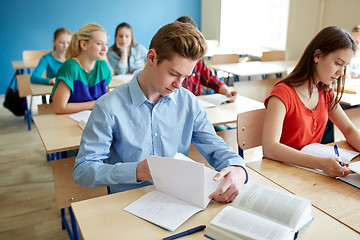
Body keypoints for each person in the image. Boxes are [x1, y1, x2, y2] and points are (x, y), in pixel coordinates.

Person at [73, 22, 247, 203]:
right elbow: (83, 170)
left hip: (178, 200)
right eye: (173, 73)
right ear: (151, 57)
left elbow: (214, 145)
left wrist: (237, 168)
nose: (179, 84)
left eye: (185, 77)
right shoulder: (108, 107)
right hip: (127, 204)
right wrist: (136, 171)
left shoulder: (187, 101)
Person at [262, 26, 360, 178]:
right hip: (280, 173)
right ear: (317, 56)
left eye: (344, 67)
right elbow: (270, 148)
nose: (341, 73)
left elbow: (348, 129)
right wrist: (320, 163)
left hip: (309, 173)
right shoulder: (282, 93)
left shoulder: (325, 93)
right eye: (338, 63)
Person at [52, 23, 112, 114]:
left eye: (106, 44)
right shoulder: (70, 67)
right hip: (69, 121)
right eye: (99, 44)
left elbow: (105, 99)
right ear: (84, 45)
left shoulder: (103, 66)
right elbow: (59, 108)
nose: (105, 48)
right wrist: (95, 104)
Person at [176, 16, 237, 100]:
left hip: (193, 106)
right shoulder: (172, 63)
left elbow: (211, 79)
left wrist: (227, 92)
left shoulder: (198, 62)